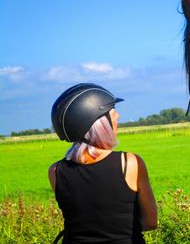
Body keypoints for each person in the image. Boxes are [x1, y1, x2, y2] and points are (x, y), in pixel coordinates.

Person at [48, 83, 157, 244]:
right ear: (99, 123)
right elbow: (150, 222)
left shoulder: (56, 171)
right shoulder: (130, 163)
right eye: (112, 114)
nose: (117, 117)